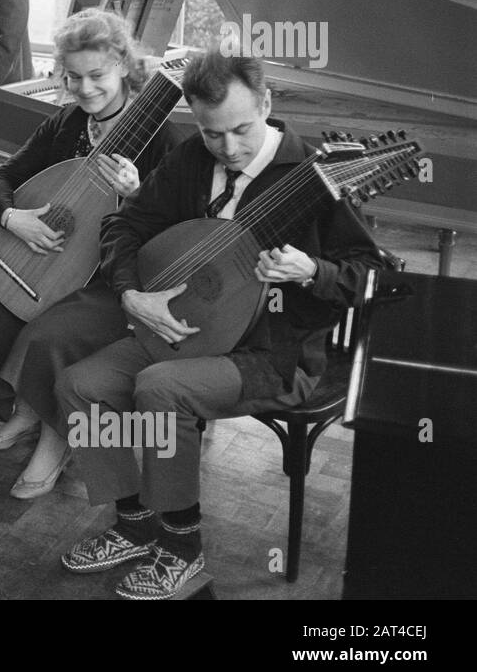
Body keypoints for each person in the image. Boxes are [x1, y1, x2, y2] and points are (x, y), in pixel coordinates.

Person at [53, 50, 383, 599]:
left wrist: (312, 272)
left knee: (161, 388)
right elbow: (124, 225)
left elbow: (375, 277)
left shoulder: (316, 177)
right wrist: (132, 294)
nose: (228, 148)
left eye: (242, 130)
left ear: (267, 104)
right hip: (189, 327)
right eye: (212, 134)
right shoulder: (189, 160)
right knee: (80, 385)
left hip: (275, 354)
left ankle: (181, 550)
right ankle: (134, 525)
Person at [0, 9, 180, 498]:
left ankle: (54, 444)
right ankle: (23, 411)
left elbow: (173, 233)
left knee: (50, 332)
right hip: (54, 263)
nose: (84, 89)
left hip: (114, 278)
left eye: (97, 75)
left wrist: (137, 193)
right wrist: (14, 218)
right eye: (73, 77)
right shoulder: (68, 124)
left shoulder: (158, 137)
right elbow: (0, 179)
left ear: (123, 64)